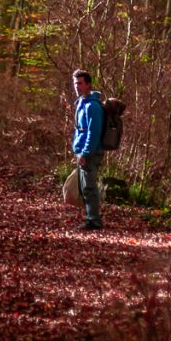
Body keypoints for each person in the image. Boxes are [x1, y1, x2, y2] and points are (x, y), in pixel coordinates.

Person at [71, 69, 104, 231]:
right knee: (84, 187)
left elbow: (93, 132)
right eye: (75, 83)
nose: (77, 86)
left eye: (80, 83)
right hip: (82, 151)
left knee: (89, 187)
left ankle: (94, 221)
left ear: (88, 85)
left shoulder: (92, 106)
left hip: (90, 153)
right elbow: (80, 130)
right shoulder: (81, 103)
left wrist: (85, 152)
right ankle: (90, 217)